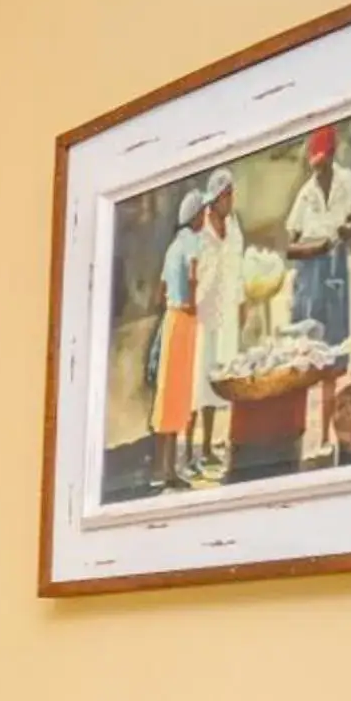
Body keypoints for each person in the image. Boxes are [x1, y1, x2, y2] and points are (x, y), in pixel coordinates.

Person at [287, 123, 351, 457]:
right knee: (308, 351)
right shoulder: (306, 194)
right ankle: (302, 434)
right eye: (313, 165)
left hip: (335, 268)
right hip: (310, 273)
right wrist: (311, 249)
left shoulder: (346, 182)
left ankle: (325, 436)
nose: (318, 170)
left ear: (332, 156)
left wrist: (346, 231)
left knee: (332, 353)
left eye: (323, 163)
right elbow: (291, 243)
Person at [193, 168, 245, 473]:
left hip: (228, 310)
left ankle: (228, 438)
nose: (230, 201)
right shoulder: (203, 233)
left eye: (231, 195)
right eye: (226, 196)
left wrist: (241, 300)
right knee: (204, 378)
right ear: (214, 200)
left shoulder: (234, 227)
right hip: (206, 313)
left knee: (230, 372)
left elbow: (237, 265)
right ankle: (203, 443)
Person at [152, 187, 205, 489]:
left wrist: (173, 302)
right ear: (195, 217)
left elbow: (160, 292)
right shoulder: (192, 243)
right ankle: (171, 469)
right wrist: (194, 304)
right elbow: (194, 277)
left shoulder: (172, 247)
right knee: (180, 392)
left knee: (166, 392)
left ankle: (165, 467)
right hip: (184, 319)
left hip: (170, 319)